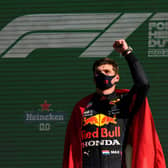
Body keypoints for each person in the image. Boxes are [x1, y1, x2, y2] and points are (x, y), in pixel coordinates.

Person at [63, 39, 166, 168]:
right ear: (94, 79)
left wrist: (127, 52)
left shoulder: (125, 100)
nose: (102, 75)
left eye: (107, 72)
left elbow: (143, 84)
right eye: (98, 72)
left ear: (116, 77)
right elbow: (71, 150)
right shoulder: (82, 107)